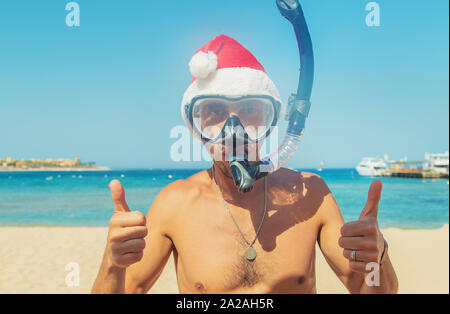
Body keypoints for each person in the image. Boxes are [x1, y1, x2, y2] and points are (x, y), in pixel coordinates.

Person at [92, 35, 398, 294]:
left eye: (251, 109)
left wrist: (377, 258)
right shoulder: (175, 204)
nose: (233, 130)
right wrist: (112, 261)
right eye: (214, 110)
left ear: (269, 120)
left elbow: (366, 288)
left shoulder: (311, 195)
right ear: (195, 125)